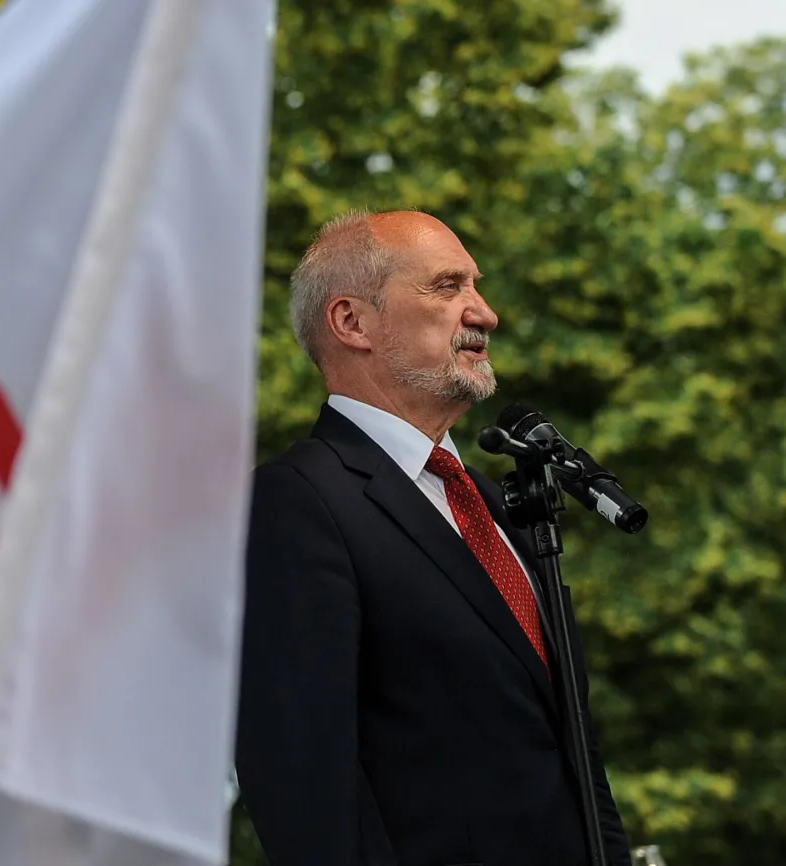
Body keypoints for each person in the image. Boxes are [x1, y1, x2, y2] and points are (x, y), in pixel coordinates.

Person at [235, 210, 632, 866]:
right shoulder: (299, 501)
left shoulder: (498, 505)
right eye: (448, 288)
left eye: (475, 286)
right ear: (351, 322)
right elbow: (302, 783)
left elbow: (576, 760)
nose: (485, 312)